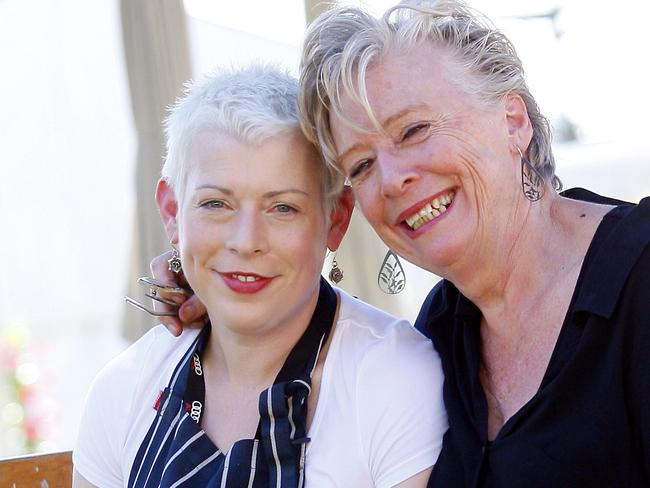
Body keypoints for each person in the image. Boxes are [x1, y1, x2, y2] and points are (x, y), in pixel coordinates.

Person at [155, 1, 650, 486]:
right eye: (362, 165)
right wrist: (224, 287)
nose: (391, 180)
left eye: (414, 130)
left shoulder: (639, 276)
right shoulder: (441, 329)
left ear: (513, 122)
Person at [72, 65, 447, 488]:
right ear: (173, 213)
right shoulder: (123, 389)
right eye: (216, 204)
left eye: (283, 207)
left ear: (336, 219)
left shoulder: (393, 381)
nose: (246, 241)